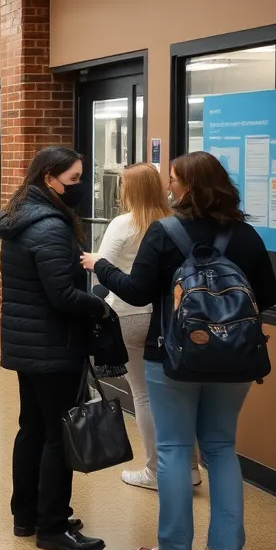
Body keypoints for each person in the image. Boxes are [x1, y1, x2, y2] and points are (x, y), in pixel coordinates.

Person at [81, 152, 276, 550]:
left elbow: (134, 292)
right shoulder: (245, 235)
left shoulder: (165, 231)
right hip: (235, 361)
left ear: (188, 186)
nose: (168, 186)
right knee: (222, 449)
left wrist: (103, 269)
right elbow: (269, 293)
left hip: (171, 356)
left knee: (172, 451)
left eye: (173, 180)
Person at [0, 146, 106, 550]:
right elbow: (62, 294)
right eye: (74, 179)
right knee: (58, 435)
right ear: (49, 178)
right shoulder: (50, 226)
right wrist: (100, 305)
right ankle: (53, 525)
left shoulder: (23, 216)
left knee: (34, 427)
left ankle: (26, 515)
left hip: (30, 343)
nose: (79, 187)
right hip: (53, 344)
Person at [93, 164, 200, 491]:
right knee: (176, 396)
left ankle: (155, 470)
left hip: (129, 315)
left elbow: (102, 267)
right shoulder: (177, 223)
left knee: (144, 395)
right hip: (171, 317)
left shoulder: (124, 223)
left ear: (130, 190)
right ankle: (191, 468)